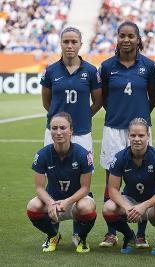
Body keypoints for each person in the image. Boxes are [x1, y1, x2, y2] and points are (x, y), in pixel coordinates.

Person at [40, 27, 102, 246]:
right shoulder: (51, 71)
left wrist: (82, 118)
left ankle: (78, 232)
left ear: (80, 44)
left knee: (81, 179)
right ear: (60, 43)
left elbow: (98, 101)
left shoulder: (91, 70)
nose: (69, 45)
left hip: (82, 132)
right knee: (52, 178)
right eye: (66, 41)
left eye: (74, 41)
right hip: (54, 132)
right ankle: (52, 232)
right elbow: (47, 102)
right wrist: (59, 124)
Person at [98, 21, 155, 248]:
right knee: (111, 179)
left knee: (144, 178)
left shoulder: (149, 66)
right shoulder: (106, 67)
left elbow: (153, 97)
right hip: (113, 128)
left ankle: (141, 234)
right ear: (117, 38)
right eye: (121, 35)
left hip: (140, 130)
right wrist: (119, 115)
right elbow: (104, 97)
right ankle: (112, 232)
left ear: (138, 39)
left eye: (131, 36)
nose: (126, 39)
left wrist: (138, 121)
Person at [27, 112, 96, 253]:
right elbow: (39, 188)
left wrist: (67, 202)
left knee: (87, 208)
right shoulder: (42, 154)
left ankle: (81, 237)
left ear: (71, 130)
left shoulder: (83, 154)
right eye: (54, 128)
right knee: (33, 206)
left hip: (77, 201)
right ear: (50, 130)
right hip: (52, 201)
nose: (58, 132)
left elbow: (85, 188)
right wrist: (51, 202)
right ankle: (53, 235)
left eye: (63, 128)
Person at [102, 118, 155, 254]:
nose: (137, 139)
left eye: (141, 135)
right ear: (128, 136)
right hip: (130, 202)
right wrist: (128, 208)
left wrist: (143, 206)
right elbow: (113, 189)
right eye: (133, 135)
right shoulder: (120, 158)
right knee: (108, 208)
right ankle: (129, 235)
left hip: (151, 204)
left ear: (148, 136)